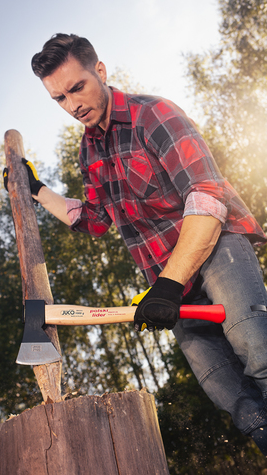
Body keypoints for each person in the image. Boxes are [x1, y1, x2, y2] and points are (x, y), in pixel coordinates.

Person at [24, 33, 267, 453]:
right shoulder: (88, 153)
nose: (72, 104)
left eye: (77, 87)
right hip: (165, 282)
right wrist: (38, 190)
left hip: (214, 249)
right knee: (229, 393)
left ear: (99, 71)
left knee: (258, 349)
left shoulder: (154, 114)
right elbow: (97, 220)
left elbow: (207, 196)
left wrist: (170, 284)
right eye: (59, 99)